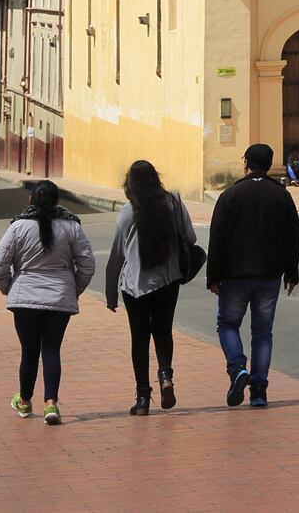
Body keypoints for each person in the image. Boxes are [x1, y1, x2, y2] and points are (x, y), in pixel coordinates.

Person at [0, 181, 96, 425]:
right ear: (57, 201)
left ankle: (25, 401)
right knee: (51, 349)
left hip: (25, 298)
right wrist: (72, 289)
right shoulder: (72, 227)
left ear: (30, 201)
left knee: (29, 351)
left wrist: (11, 289)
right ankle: (51, 404)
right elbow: (87, 265)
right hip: (59, 297)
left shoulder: (17, 227)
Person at [206, 143, 299, 409]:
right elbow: (293, 236)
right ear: (270, 165)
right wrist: (291, 273)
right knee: (262, 332)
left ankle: (237, 369)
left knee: (227, 325)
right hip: (269, 276)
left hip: (234, 276)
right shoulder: (281, 195)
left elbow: (217, 238)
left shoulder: (231, 195)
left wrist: (213, 276)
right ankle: (258, 391)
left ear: (246, 163)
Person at [104, 159, 199, 416]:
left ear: (130, 184)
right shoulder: (173, 202)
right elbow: (190, 238)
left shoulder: (127, 212)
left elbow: (115, 258)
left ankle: (143, 398)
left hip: (135, 286)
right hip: (168, 280)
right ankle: (166, 376)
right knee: (163, 331)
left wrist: (110, 294)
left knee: (140, 339)